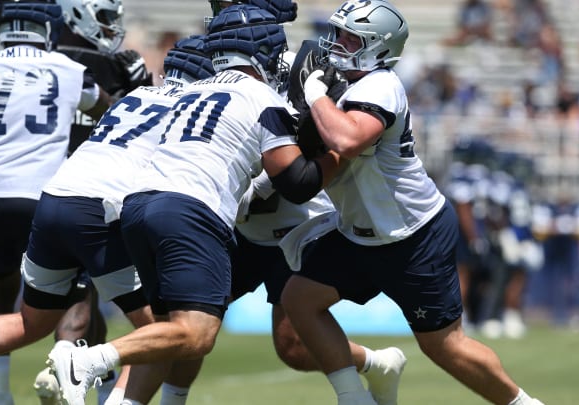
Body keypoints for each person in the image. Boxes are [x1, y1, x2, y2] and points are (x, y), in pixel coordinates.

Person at [44, 5, 342, 405]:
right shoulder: (259, 95)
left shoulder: (184, 93)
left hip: (136, 207)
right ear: (261, 53)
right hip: (190, 210)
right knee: (196, 333)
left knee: (167, 330)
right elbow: (298, 181)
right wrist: (341, 154)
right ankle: (87, 360)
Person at [115, 2, 406, 404]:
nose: (226, 10)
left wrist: (262, 182)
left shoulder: (308, 62)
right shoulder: (215, 54)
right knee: (180, 320)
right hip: (242, 225)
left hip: (299, 220)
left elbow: (315, 148)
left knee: (293, 347)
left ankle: (372, 368)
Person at [0, 25, 217, 405]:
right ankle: (85, 367)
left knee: (31, 321)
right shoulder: (195, 108)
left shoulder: (138, 97)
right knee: (163, 333)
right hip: (97, 211)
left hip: (55, 198)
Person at [277, 1, 546, 404]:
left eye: (350, 37)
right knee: (299, 299)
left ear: (378, 48)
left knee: (444, 346)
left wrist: (314, 94)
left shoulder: (380, 85)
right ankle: (354, 397)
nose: (337, 44)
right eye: (338, 33)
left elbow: (346, 139)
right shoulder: (347, 83)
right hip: (358, 235)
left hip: (411, 235)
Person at [0, 1, 110, 404]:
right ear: (49, 28)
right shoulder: (66, 69)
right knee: (75, 292)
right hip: (42, 196)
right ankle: (66, 383)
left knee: (1, 284)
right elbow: (109, 112)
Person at [32, 0, 154, 402]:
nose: (112, 28)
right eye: (105, 18)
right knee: (146, 315)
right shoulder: (106, 67)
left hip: (49, 195)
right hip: (97, 195)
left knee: (75, 297)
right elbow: (138, 121)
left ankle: (66, 368)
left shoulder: (47, 62)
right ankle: (71, 371)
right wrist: (142, 85)